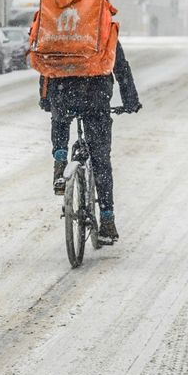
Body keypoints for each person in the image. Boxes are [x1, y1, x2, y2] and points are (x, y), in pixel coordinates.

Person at [39, 41, 141, 242]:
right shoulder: (102, 27)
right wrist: (130, 101)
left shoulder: (61, 26)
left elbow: (46, 64)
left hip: (61, 92)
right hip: (95, 95)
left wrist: (45, 98)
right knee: (100, 159)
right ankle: (107, 220)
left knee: (60, 118)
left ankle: (60, 163)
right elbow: (120, 66)